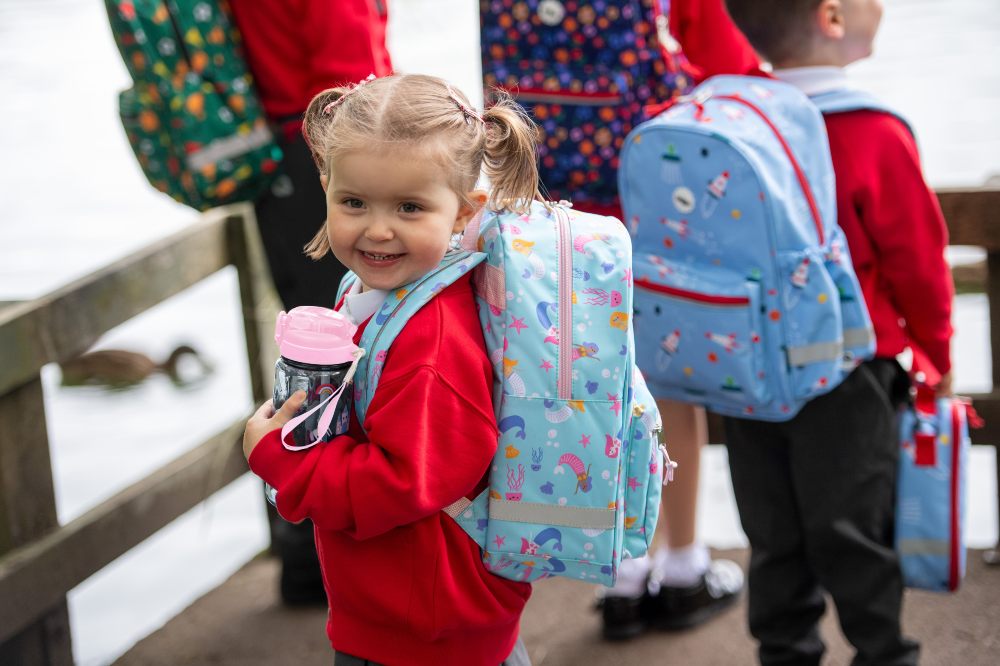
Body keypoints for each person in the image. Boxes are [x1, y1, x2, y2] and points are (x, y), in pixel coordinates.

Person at [242, 73, 541, 666]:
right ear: (324, 186)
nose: (378, 229)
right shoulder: (379, 290)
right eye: (353, 202)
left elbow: (404, 482)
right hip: (402, 609)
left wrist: (283, 462)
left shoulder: (431, 344)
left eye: (410, 207)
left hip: (427, 636)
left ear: (464, 212)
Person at [718, 1, 954, 663]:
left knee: (773, 534)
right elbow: (918, 260)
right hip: (851, 369)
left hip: (749, 372)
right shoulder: (874, 131)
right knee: (854, 531)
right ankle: (885, 653)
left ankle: (785, 651)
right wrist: (936, 352)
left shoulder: (733, 120)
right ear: (831, 16)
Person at [581, 0, 758, 639]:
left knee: (597, 390)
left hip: (559, 207)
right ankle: (681, 570)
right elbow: (731, 71)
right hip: (653, 194)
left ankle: (621, 580)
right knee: (669, 390)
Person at [228, 0, 393, 606]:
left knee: (308, 349)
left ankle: (299, 549)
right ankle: (320, 556)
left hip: (282, 158)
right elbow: (350, 79)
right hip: (329, 152)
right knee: (341, 354)